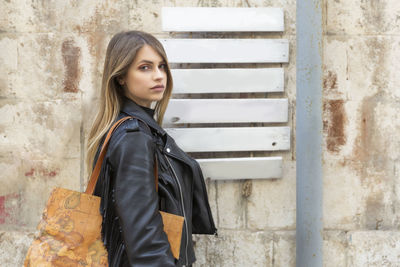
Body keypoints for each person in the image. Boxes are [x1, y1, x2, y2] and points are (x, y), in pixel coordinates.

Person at [86, 30, 218, 267]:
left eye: (162, 66)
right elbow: (143, 234)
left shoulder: (141, 130)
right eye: (145, 68)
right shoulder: (133, 135)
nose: (158, 76)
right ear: (121, 77)